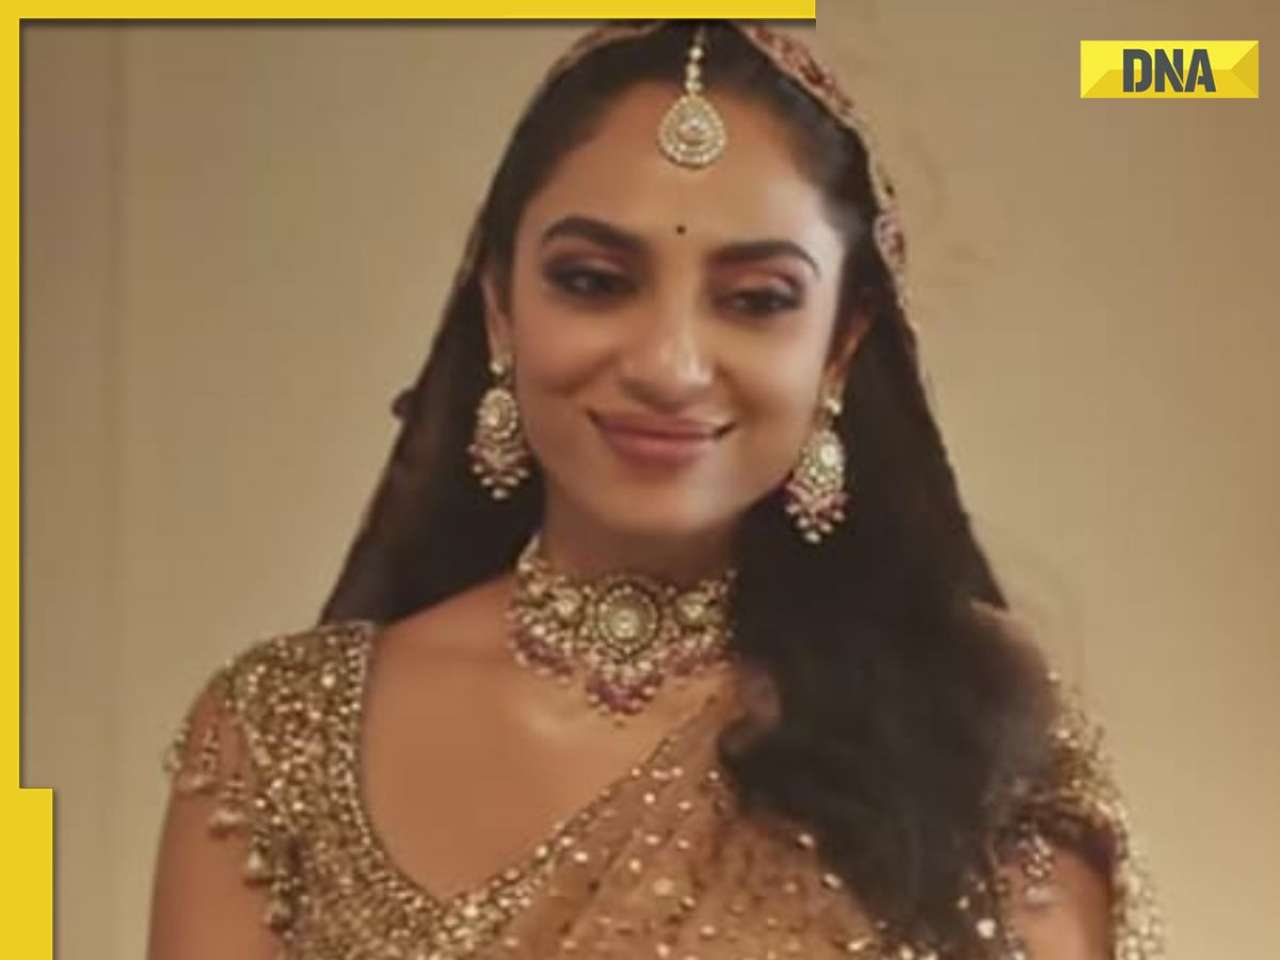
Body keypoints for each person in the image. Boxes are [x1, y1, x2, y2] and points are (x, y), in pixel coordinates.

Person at [147, 21, 1163, 960]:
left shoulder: (977, 746)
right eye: (595, 281)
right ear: (500, 305)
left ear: (839, 346)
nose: (669, 365)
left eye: (755, 300)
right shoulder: (279, 740)